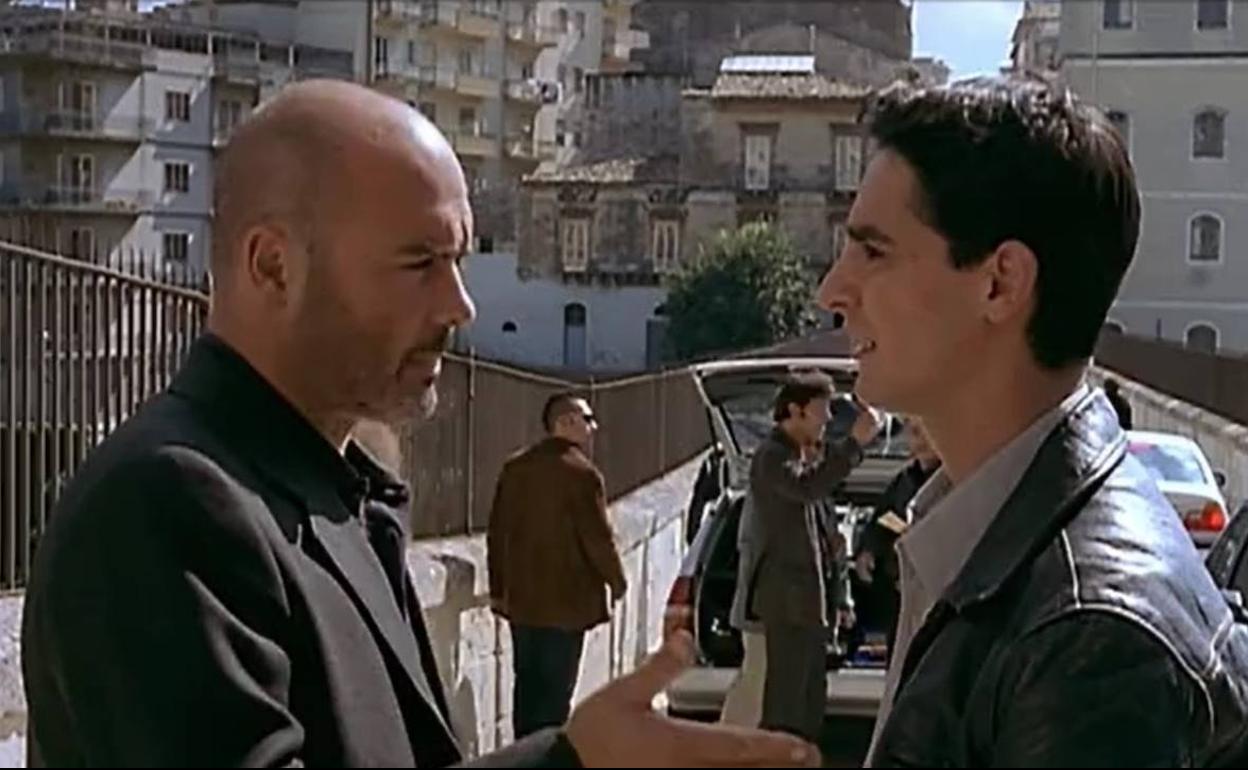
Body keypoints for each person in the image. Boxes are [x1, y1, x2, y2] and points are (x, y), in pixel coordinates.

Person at [20, 80, 820, 769]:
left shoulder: (334, 494)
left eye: (460, 262)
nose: (460, 306)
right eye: (419, 264)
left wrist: (575, 757)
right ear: (273, 266)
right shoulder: (163, 506)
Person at [818, 76, 1248, 766]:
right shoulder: (996, 533)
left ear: (1000, 283)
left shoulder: (1092, 639)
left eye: (873, 251)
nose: (831, 290)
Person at [728, 373, 882, 744]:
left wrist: (838, 599)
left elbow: (822, 538)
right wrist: (854, 444)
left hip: (807, 607)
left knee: (807, 704)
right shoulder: (772, 457)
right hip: (787, 606)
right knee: (786, 709)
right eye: (821, 410)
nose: (828, 419)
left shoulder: (797, 459)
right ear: (795, 411)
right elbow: (807, 487)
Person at [488, 393, 627, 739]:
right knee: (555, 697)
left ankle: (522, 754)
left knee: (526, 689)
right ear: (564, 422)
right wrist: (617, 581)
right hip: (567, 605)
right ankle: (546, 757)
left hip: (523, 603)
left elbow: (497, 533)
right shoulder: (582, 475)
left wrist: (498, 590)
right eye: (587, 418)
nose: (594, 426)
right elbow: (598, 539)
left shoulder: (515, 469)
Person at [852, 419, 941, 661]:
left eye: (925, 431)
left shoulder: (950, 478)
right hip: (901, 582)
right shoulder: (904, 480)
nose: (920, 440)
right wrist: (868, 550)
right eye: (914, 432)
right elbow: (883, 519)